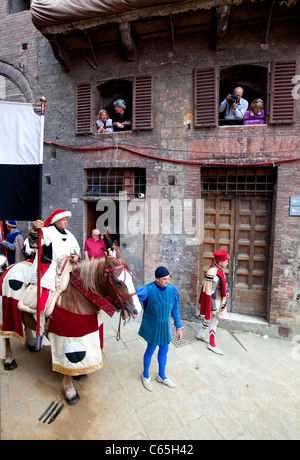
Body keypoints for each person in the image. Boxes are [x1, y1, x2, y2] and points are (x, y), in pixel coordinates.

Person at [137, 266, 183, 391]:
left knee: (164, 350)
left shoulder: (172, 290)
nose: (167, 281)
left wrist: (179, 327)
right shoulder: (147, 290)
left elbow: (175, 310)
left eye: (168, 278)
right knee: (150, 349)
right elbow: (133, 300)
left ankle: (161, 376)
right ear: (157, 279)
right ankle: (145, 375)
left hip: (165, 326)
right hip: (152, 326)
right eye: (164, 279)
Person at [29, 210, 80, 314]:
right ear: (56, 221)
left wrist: (76, 256)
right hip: (50, 266)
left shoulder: (69, 234)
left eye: (66, 220)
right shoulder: (47, 231)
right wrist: (34, 231)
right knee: (47, 290)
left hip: (67, 267)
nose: (66, 222)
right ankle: (42, 314)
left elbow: (75, 248)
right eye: (63, 220)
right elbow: (35, 243)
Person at [197, 250, 230, 355]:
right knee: (214, 321)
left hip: (218, 298)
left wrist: (226, 292)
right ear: (220, 262)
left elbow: (221, 285)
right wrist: (213, 308)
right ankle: (212, 344)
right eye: (226, 261)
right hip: (215, 300)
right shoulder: (214, 273)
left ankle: (201, 334)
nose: (227, 263)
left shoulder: (217, 269)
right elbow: (210, 292)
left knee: (209, 318)